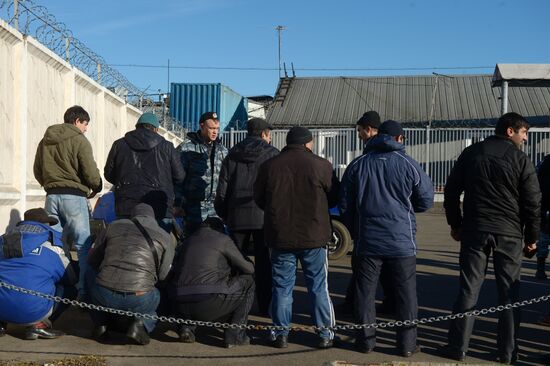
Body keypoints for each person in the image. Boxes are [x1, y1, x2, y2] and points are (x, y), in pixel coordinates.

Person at [440, 112, 540, 364]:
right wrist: (532, 237)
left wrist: (456, 224)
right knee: (509, 294)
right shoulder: (520, 159)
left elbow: (451, 190)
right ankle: (507, 352)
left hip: (475, 230)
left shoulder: (472, 153)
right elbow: (532, 202)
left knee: (469, 289)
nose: (525, 138)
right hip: (509, 232)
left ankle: (457, 348)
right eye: (523, 133)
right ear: (510, 131)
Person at [339, 120, 433, 357]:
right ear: (399, 139)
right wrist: (405, 210)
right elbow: (426, 199)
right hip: (401, 241)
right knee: (406, 294)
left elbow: (345, 204)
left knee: (365, 293)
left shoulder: (358, 164)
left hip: (367, 241)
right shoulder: (408, 164)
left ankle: (366, 342)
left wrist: (357, 229)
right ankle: (407, 345)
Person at [254, 126, 338, 349]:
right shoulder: (322, 165)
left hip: (280, 237)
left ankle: (281, 333)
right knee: (319, 286)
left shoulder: (270, 166)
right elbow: (335, 196)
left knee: (282, 287)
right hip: (314, 237)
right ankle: (325, 333)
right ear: (308, 143)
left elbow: (259, 199)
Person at [33, 105, 102, 298]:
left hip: (51, 196)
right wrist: (96, 186)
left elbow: (37, 169)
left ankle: (54, 286)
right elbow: (89, 171)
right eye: (85, 124)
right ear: (77, 121)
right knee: (82, 245)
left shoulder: (45, 140)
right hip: (74, 197)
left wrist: (49, 184)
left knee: (54, 243)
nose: (86, 128)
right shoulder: (80, 140)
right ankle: (83, 291)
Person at [215, 117, 279, 316]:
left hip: (236, 217)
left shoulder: (232, 154)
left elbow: (222, 190)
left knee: (236, 264)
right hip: (263, 218)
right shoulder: (272, 155)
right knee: (264, 264)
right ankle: (265, 306)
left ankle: (233, 307)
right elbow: (276, 188)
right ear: (263, 134)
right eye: (269, 134)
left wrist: (225, 214)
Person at [87, 203, 175, 345]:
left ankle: (100, 324)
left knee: (89, 276)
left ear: (132, 215)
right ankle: (141, 324)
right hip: (140, 296)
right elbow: (164, 276)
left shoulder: (112, 226)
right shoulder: (165, 236)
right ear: (153, 218)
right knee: (161, 296)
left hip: (102, 292)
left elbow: (92, 260)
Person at [167, 217, 255, 348]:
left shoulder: (188, 240)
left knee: (189, 283)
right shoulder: (223, 239)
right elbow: (249, 269)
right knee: (249, 280)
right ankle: (234, 335)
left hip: (179, 304)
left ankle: (186, 327)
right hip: (207, 303)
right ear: (220, 229)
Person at [341, 111, 396, 317]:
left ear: (370, 129)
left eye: (359, 130)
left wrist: (352, 223)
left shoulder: (366, 158)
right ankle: (389, 304)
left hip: (368, 223)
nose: (358, 134)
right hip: (392, 226)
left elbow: (347, 197)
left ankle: (357, 308)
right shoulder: (396, 156)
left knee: (364, 269)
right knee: (387, 268)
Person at [0, 208, 77, 340]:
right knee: (69, 290)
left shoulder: (3, 240)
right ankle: (38, 325)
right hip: (31, 311)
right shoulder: (53, 245)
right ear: (45, 225)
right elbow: (70, 278)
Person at [104, 112, 185, 233]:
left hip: (127, 206)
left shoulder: (119, 145)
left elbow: (109, 174)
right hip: (159, 208)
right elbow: (180, 176)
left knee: (129, 245)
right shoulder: (167, 147)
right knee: (159, 246)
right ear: (156, 129)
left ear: (137, 127)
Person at [175, 112, 228, 235]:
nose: (215, 132)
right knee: (192, 244)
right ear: (202, 126)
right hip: (193, 208)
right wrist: (177, 203)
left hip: (215, 209)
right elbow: (177, 178)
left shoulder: (222, 151)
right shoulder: (186, 148)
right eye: (211, 128)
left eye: (217, 129)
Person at [535, 154, 550, 279]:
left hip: (544, 205)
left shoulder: (543, 162)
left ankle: (540, 269)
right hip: (545, 205)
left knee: (544, 238)